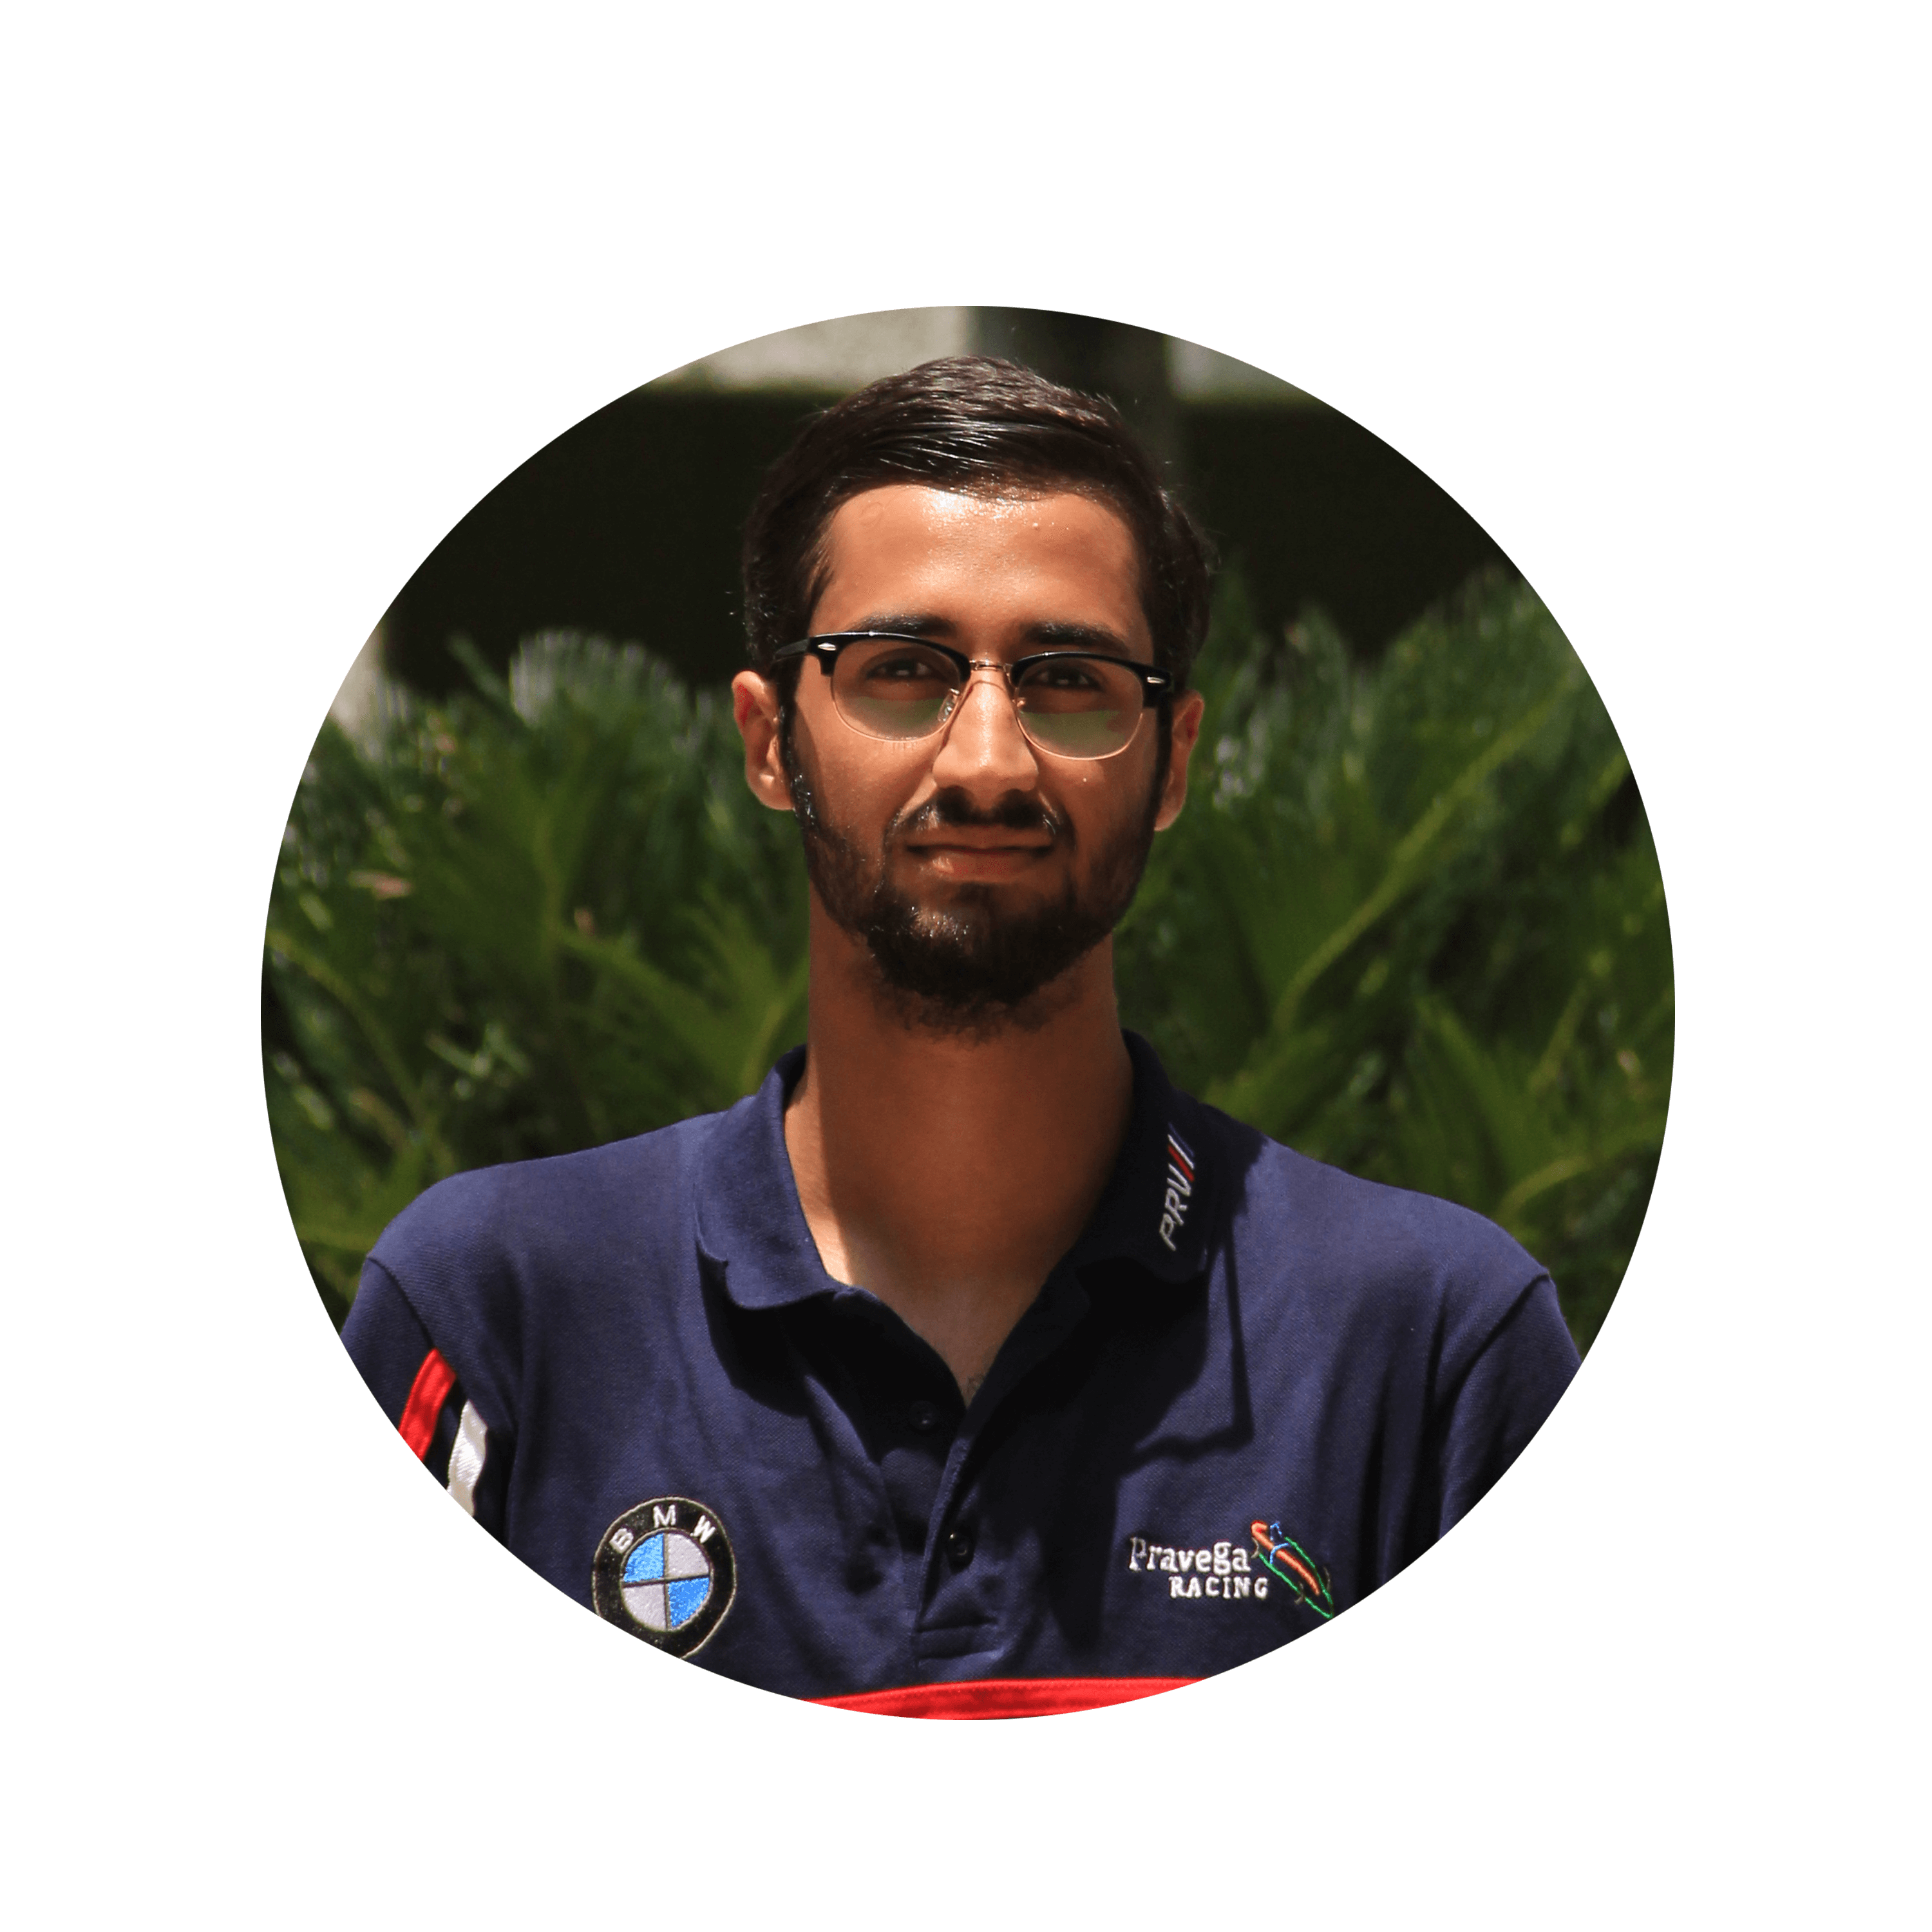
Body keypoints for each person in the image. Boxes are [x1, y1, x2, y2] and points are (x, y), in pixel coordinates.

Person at [341, 357, 1580, 1717]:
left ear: (1172, 759)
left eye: (1070, 679)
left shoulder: (1429, 1342)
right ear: (769, 741)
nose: (988, 758)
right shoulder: (496, 1316)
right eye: (902, 671)